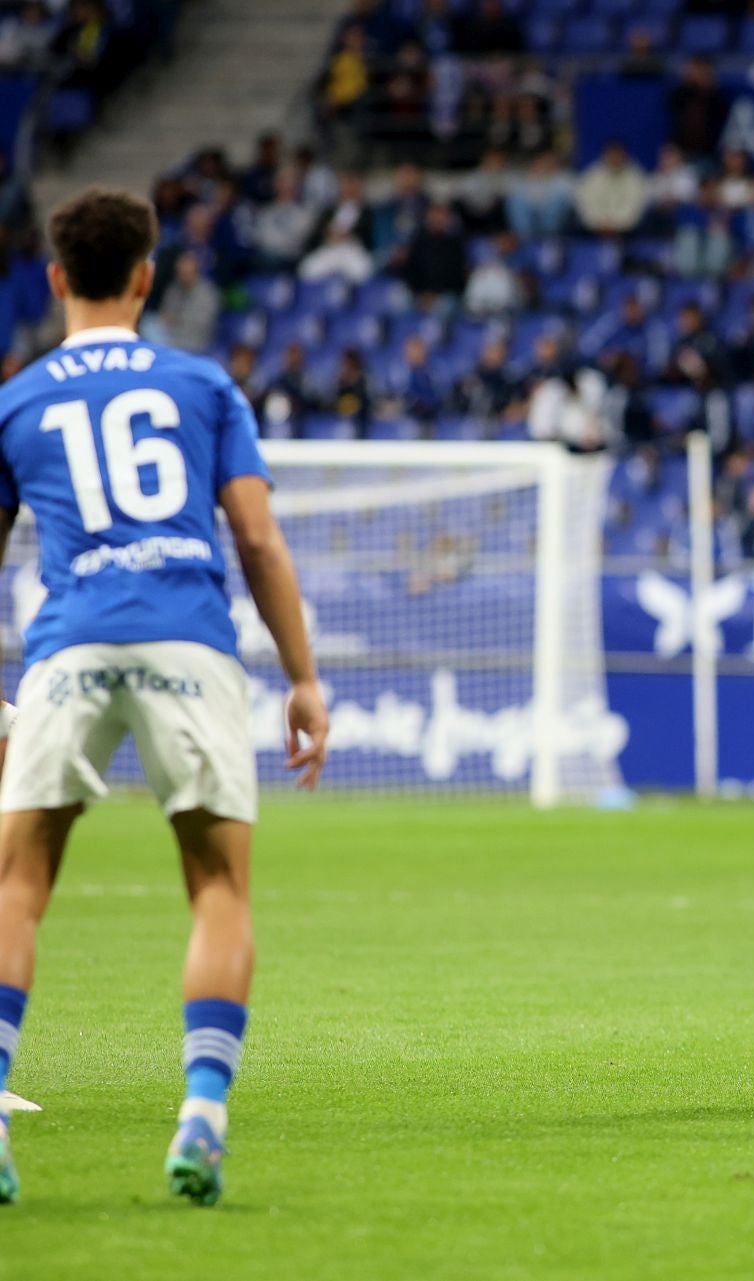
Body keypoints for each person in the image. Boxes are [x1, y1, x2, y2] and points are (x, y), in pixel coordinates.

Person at [0, 188, 330, 1206]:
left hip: (71, 642)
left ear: (57, 279)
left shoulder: (16, 400)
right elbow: (261, 540)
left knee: (17, 883)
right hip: (189, 643)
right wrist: (304, 677)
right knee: (218, 887)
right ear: (147, 277)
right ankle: (202, 1116)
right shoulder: (199, 385)